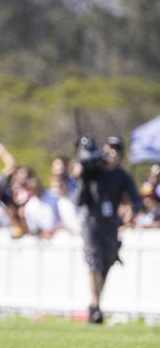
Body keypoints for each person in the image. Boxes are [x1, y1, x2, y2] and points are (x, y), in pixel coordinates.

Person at [74, 135, 142, 324]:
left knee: (105, 264)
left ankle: (95, 305)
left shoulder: (122, 176)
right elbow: (80, 181)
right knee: (94, 262)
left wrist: (131, 212)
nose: (111, 152)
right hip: (91, 222)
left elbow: (136, 200)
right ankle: (96, 305)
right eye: (109, 148)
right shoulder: (94, 169)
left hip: (110, 225)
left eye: (116, 149)